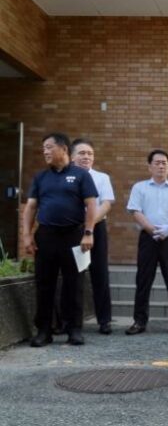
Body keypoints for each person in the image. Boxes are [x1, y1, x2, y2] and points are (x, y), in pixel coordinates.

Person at [23, 132, 98, 347]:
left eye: (49, 147)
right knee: (44, 284)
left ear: (63, 149)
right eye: (43, 148)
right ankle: (44, 331)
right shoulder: (40, 177)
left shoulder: (81, 175)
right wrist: (27, 235)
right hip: (46, 236)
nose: (45, 152)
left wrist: (88, 232)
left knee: (74, 284)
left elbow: (91, 204)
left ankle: (74, 329)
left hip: (74, 236)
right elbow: (31, 207)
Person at [125, 150, 168, 336]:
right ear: (150, 166)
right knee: (143, 279)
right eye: (157, 163)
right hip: (148, 237)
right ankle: (139, 321)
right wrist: (151, 229)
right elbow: (135, 211)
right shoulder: (140, 187)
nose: (161, 166)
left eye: (164, 163)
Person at [71, 138, 115, 335]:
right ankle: (72, 321)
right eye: (82, 153)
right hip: (72, 229)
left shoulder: (102, 177)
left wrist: (89, 224)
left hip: (96, 227)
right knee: (74, 275)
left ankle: (104, 320)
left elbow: (106, 204)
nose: (86, 157)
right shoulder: (66, 176)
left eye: (90, 153)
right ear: (72, 157)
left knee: (100, 273)